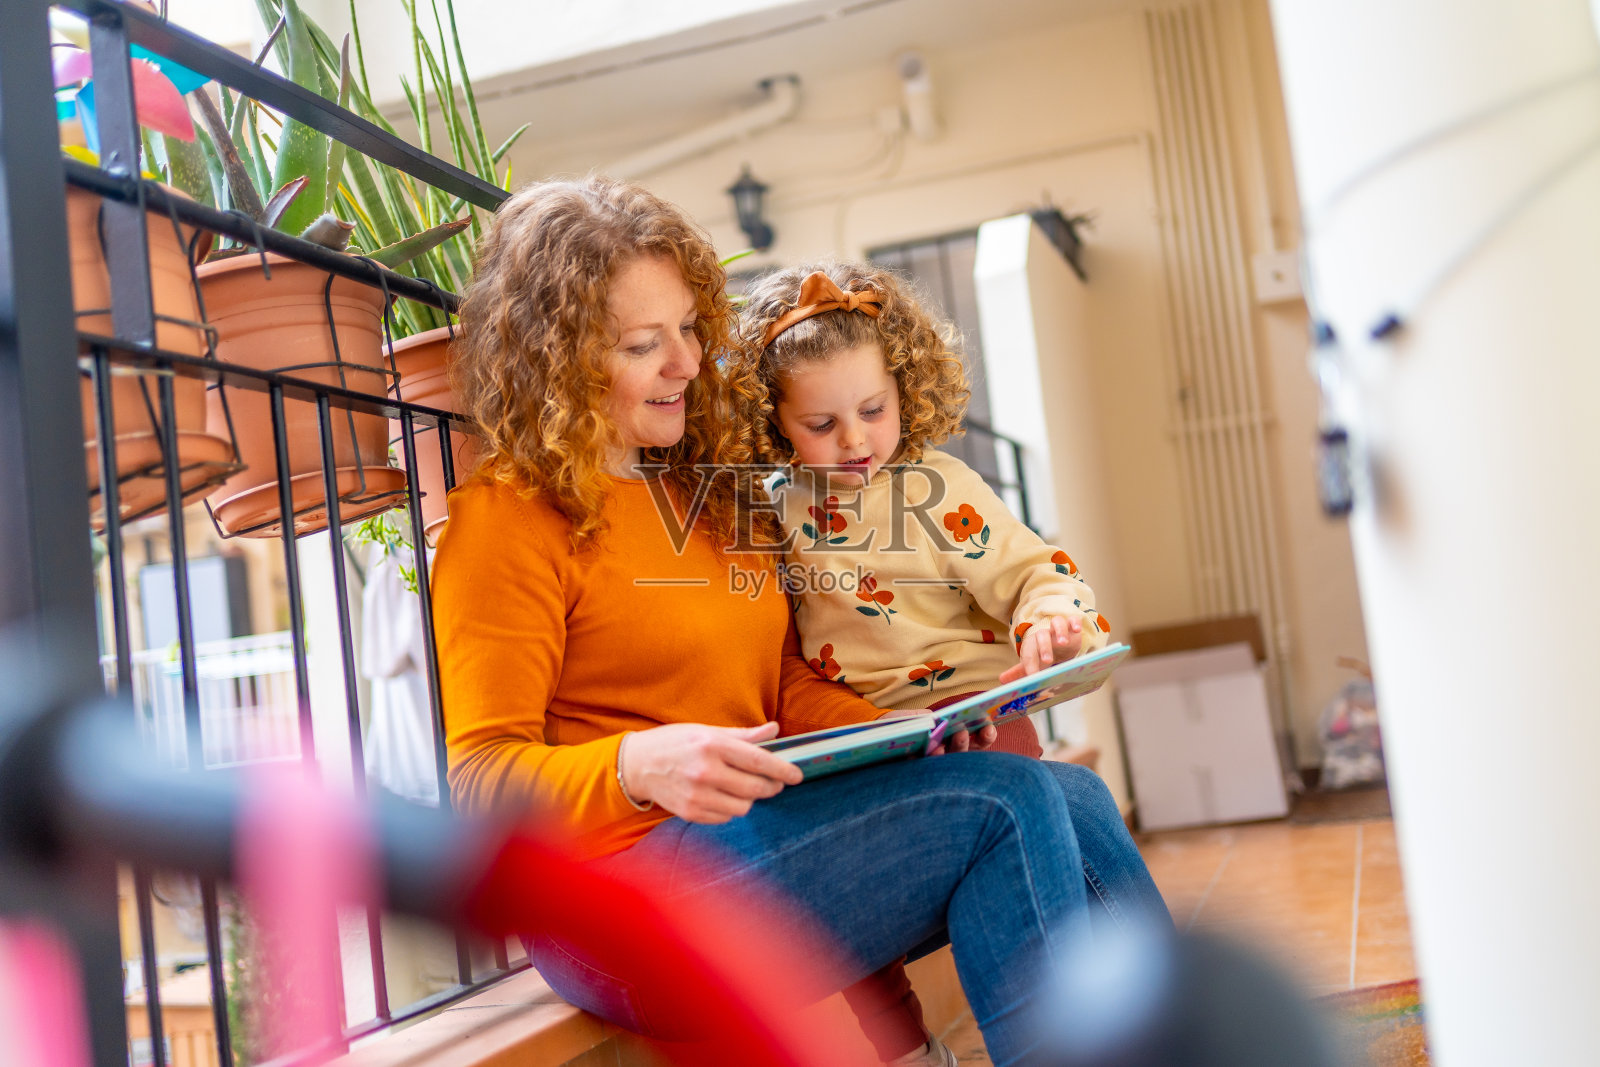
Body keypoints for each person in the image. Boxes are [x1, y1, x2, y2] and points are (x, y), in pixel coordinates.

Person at [431, 175, 1168, 1067]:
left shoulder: (708, 499)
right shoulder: (505, 519)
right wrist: (637, 765)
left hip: (755, 838)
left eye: (691, 331)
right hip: (618, 905)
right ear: (558, 357)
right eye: (642, 344)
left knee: (1073, 795)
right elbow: (478, 784)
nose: (688, 365)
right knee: (1007, 805)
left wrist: (915, 737)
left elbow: (780, 678)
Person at [732, 262, 1112, 761]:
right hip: (860, 729)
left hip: (973, 714)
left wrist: (1050, 625)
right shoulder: (773, 505)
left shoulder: (935, 490)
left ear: (903, 390)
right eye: (821, 424)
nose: (853, 439)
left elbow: (1033, 574)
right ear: (773, 420)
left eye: (873, 411)